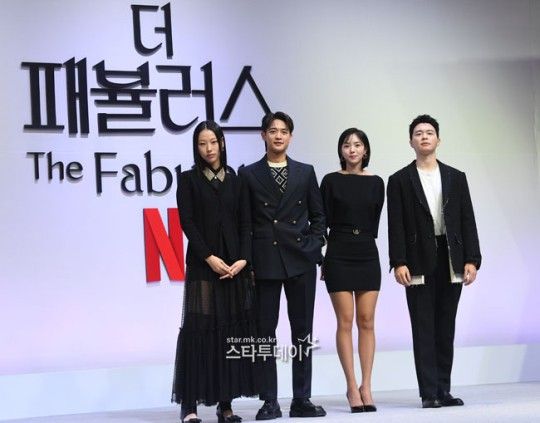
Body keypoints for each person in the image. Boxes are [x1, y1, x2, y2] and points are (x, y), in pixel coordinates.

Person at [387, 114, 482, 409]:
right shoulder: (399, 180)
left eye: (429, 132)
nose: (424, 137)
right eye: (418, 133)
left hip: (451, 256)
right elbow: (396, 225)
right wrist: (399, 261)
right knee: (423, 326)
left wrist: (472, 259)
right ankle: (429, 392)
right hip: (417, 259)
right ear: (411, 141)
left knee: (445, 325)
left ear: (438, 139)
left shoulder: (456, 177)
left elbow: (467, 219)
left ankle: (444, 389)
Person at [239, 111, 327, 420]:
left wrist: (314, 246)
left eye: (284, 131)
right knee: (265, 333)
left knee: (303, 331)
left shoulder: (305, 172)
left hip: (300, 260)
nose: (278, 135)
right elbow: (245, 222)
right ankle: (269, 401)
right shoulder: (248, 174)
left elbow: (319, 216)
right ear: (263, 135)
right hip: (264, 261)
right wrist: (248, 262)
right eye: (273, 130)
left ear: (291, 136)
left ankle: (301, 399)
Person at [172, 120, 260, 423]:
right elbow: (187, 223)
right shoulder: (188, 180)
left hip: (234, 268)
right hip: (203, 265)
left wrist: (244, 259)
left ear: (222, 143)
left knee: (229, 332)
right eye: (202, 143)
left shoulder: (237, 180)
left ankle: (226, 405)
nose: (208, 149)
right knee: (199, 329)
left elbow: (246, 224)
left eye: (213, 142)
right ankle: (189, 406)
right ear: (196, 147)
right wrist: (208, 257)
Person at [320, 128, 384, 413]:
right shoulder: (330, 181)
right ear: (341, 150)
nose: (352, 150)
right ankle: (351, 385)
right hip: (338, 251)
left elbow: (375, 219)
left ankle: (366, 386)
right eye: (347, 145)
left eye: (357, 145)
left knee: (367, 321)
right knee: (345, 321)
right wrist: (323, 258)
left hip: (367, 251)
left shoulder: (377, 182)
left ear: (365, 150)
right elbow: (321, 221)